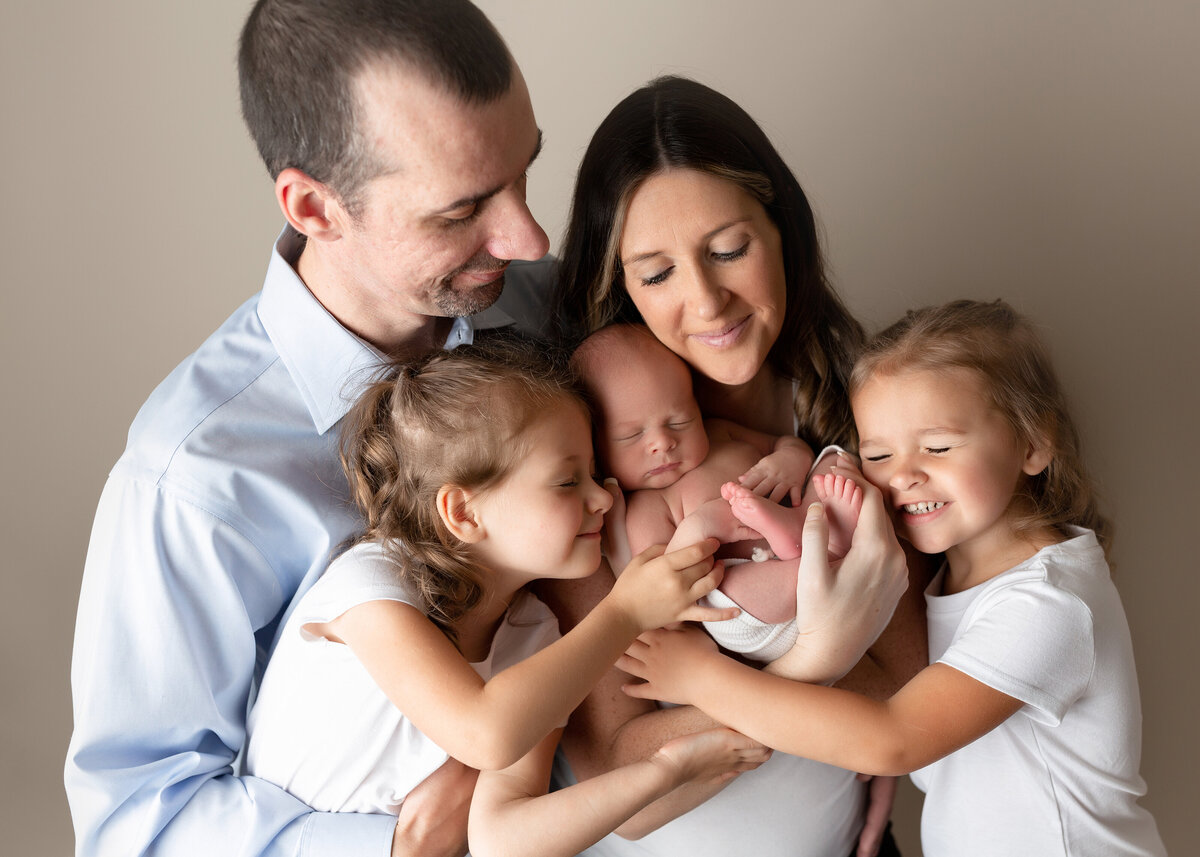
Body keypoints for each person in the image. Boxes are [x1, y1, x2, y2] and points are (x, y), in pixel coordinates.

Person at [66, 2, 558, 855]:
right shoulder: (194, 475)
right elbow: (136, 826)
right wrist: (394, 843)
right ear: (314, 206)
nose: (529, 234)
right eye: (462, 209)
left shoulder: (546, 307)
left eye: (526, 172)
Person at [619, 299, 1167, 857]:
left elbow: (893, 739)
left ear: (1032, 443)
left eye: (938, 447)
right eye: (878, 453)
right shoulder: (960, 574)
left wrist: (702, 680)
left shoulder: (1047, 602)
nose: (903, 475)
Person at [542, 75, 926, 857]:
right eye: (657, 273)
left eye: (727, 249)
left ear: (781, 229)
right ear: (620, 286)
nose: (709, 302)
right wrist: (815, 659)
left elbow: (910, 691)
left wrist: (715, 691)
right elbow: (621, 784)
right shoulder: (592, 461)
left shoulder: (863, 418)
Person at [242, 337, 768, 856]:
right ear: (465, 514)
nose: (603, 496)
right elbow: (485, 733)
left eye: (593, 473)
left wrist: (665, 772)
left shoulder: (534, 634)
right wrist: (626, 611)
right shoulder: (372, 583)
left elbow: (504, 838)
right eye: (568, 481)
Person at [572, 322, 864, 662]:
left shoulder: (721, 435)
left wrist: (789, 458)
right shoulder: (642, 510)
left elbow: (783, 443)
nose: (663, 442)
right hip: (764, 611)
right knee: (733, 594)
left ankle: (812, 538)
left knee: (836, 461)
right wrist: (702, 526)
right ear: (596, 448)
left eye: (680, 421)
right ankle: (823, 553)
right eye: (630, 436)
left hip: (809, 535)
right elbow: (673, 593)